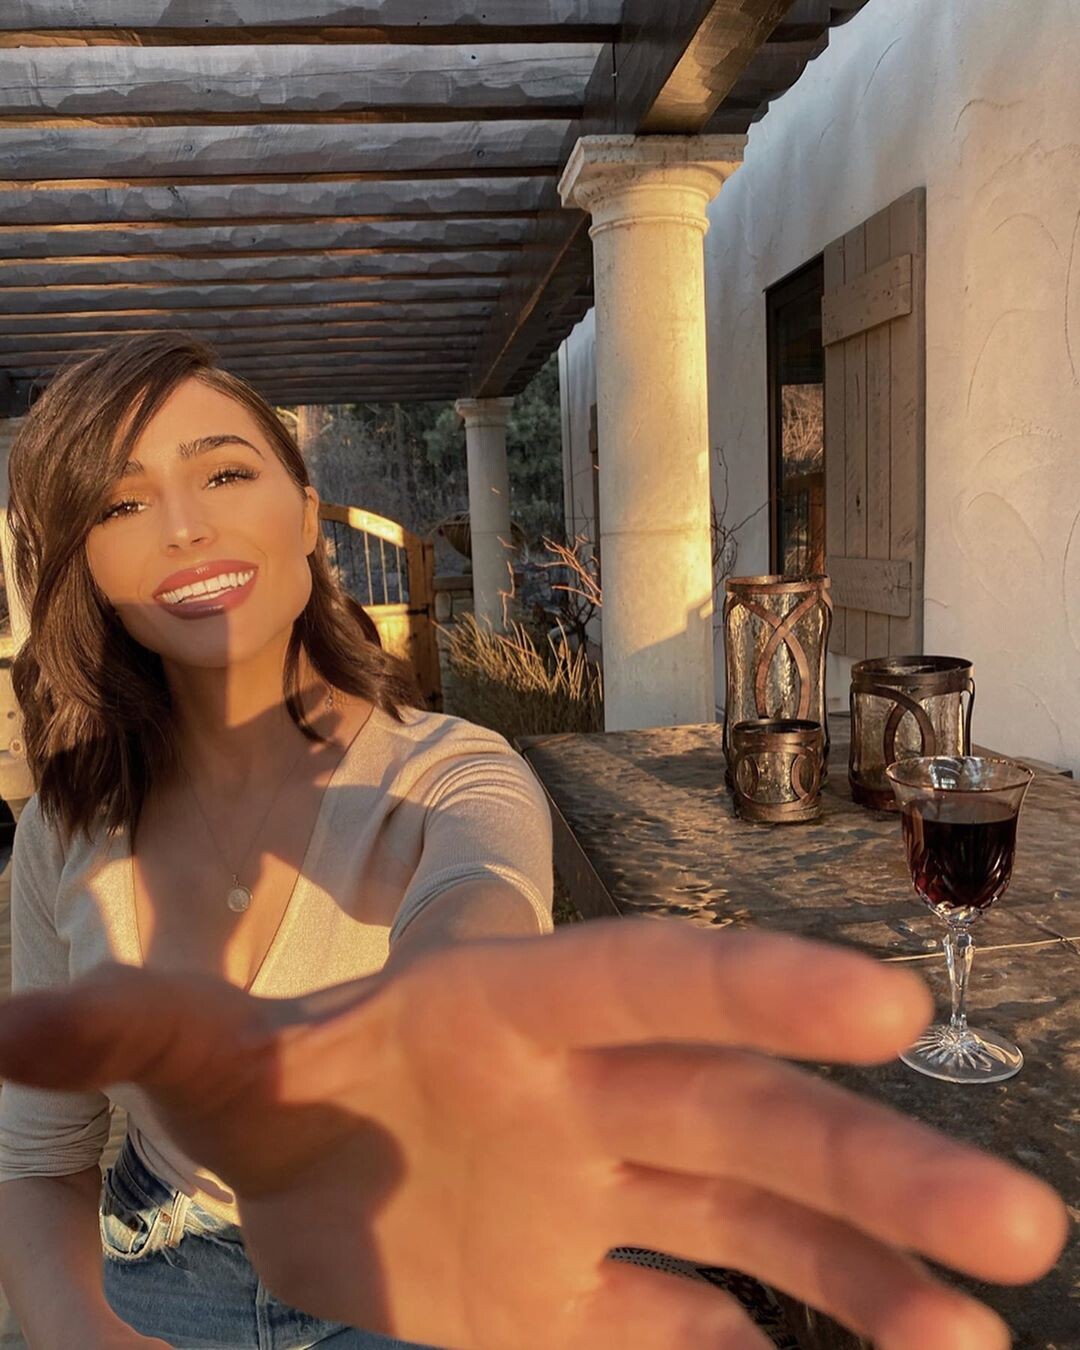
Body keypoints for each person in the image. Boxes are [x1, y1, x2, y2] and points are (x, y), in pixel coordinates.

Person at [0, 335, 1066, 1350]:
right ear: (83, 561)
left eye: (225, 473)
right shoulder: (66, 826)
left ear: (306, 512)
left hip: (412, 1245)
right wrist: (82, 1333)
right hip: (154, 1269)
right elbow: (38, 1159)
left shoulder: (454, 772)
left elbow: (477, 903)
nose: (184, 527)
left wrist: (441, 1024)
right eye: (122, 503)